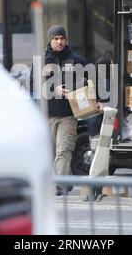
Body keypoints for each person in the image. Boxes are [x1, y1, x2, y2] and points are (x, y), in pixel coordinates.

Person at [31, 25, 88, 196]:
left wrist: (81, 87)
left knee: (63, 150)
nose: (59, 41)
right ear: (50, 40)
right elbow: (34, 85)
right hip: (47, 115)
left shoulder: (76, 60)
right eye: (56, 38)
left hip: (68, 115)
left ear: (66, 40)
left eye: (62, 38)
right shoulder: (40, 61)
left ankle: (60, 185)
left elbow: (90, 81)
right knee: (53, 152)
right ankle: (67, 180)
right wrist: (52, 89)